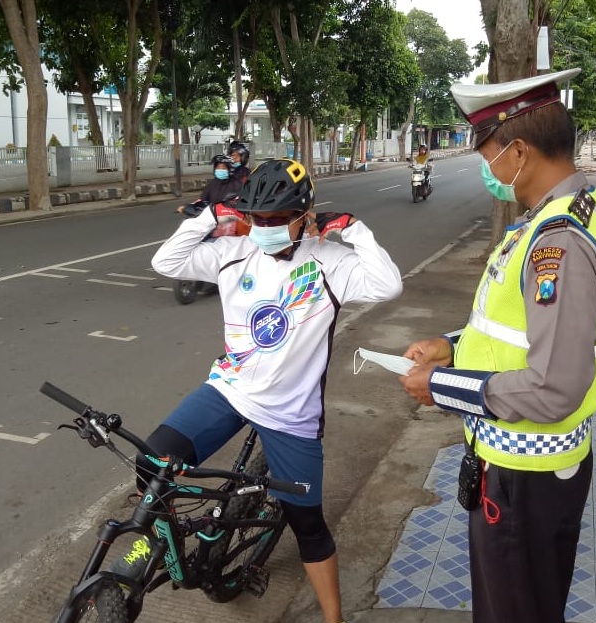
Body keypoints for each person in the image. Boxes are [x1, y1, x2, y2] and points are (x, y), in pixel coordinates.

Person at [398, 68, 596, 623]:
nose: (487, 167)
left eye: (488, 153)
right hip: (518, 463)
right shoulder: (554, 220)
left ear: (518, 151)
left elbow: (554, 388)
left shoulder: (561, 243)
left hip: (527, 473)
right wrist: (452, 347)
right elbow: (521, 332)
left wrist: (443, 387)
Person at [145, 158, 403, 623]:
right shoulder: (234, 252)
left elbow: (388, 285)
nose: (266, 228)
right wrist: (211, 214)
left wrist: (355, 228)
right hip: (228, 390)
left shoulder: (330, 261)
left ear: (306, 215)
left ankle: (334, 619)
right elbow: (166, 262)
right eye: (259, 218)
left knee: (309, 528)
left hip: (291, 416)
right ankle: (198, 544)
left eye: (279, 219)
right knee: (152, 466)